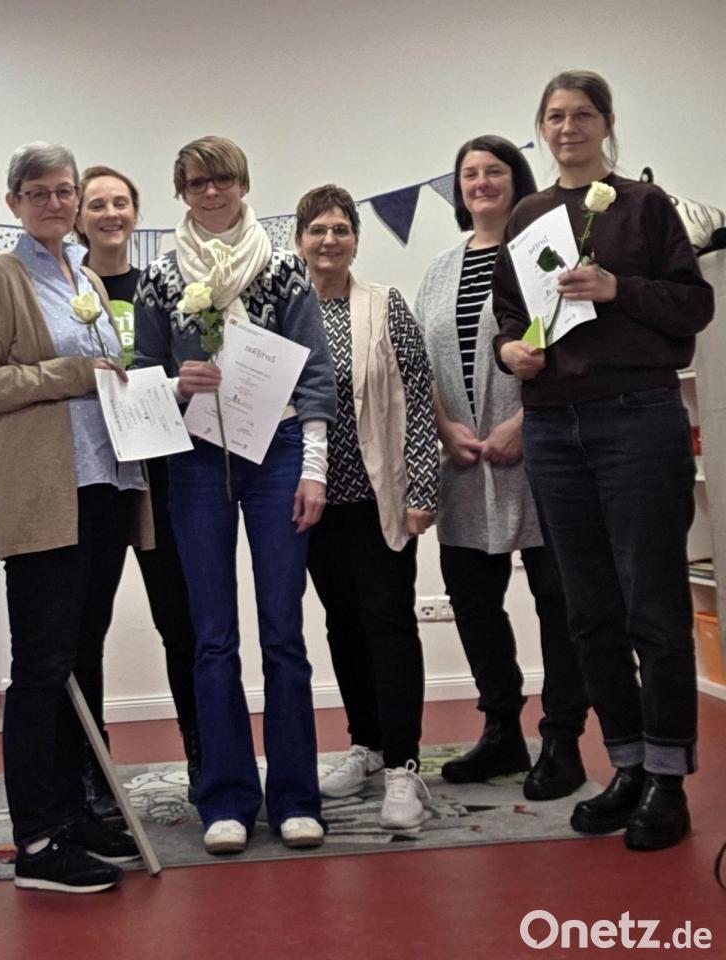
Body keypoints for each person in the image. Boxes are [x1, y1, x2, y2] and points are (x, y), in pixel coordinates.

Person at [492, 71, 714, 850]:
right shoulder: (526, 216)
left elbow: (694, 306)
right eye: (554, 116)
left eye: (582, 114)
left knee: (653, 605)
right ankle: (625, 765)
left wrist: (619, 287)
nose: (568, 128)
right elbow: (510, 317)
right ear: (541, 128)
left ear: (607, 123)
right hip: (553, 428)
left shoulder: (645, 206)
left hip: (636, 419)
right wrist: (511, 351)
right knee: (588, 611)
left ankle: (668, 779)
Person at [0, 142, 152, 893]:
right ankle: (38, 840)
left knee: (82, 658)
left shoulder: (84, 276)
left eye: (63, 190)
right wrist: (69, 374)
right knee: (41, 669)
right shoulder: (0, 277)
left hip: (104, 487)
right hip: (46, 498)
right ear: (14, 203)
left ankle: (76, 813)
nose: (55, 203)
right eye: (37, 192)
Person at [133, 136, 337, 855]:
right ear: (182, 192)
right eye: (197, 182)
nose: (211, 192)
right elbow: (142, 373)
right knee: (212, 636)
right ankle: (225, 799)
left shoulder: (282, 267)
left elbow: (315, 374)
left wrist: (314, 468)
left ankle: (296, 797)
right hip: (195, 461)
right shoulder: (161, 277)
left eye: (222, 179)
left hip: (277, 454)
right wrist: (174, 383)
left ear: (243, 184)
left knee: (283, 631)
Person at [415, 136, 589, 800]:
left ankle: (564, 739)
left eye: (494, 171)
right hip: (464, 461)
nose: (481, 182)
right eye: (470, 173)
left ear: (517, 180)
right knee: (473, 600)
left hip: (541, 449)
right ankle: (501, 730)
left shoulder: (543, 251)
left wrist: (524, 423)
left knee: (560, 601)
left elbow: (571, 341)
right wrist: (445, 428)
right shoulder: (439, 270)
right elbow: (419, 362)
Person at [294, 185, 438, 830]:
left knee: (388, 621)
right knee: (342, 625)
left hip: (380, 499)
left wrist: (423, 489)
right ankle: (368, 746)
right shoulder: (283, 312)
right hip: (314, 504)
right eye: (317, 229)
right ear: (299, 240)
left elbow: (419, 396)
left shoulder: (385, 305)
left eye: (341, 229)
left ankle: (404, 766)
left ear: (355, 239)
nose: (329, 240)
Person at [75, 165, 200, 808]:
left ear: (136, 212)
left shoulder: (159, 287)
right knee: (84, 629)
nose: (110, 213)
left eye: (120, 202)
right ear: (79, 217)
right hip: (96, 478)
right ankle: (93, 773)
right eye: (96, 203)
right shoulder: (66, 288)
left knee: (182, 624)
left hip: (162, 477)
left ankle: (204, 757)